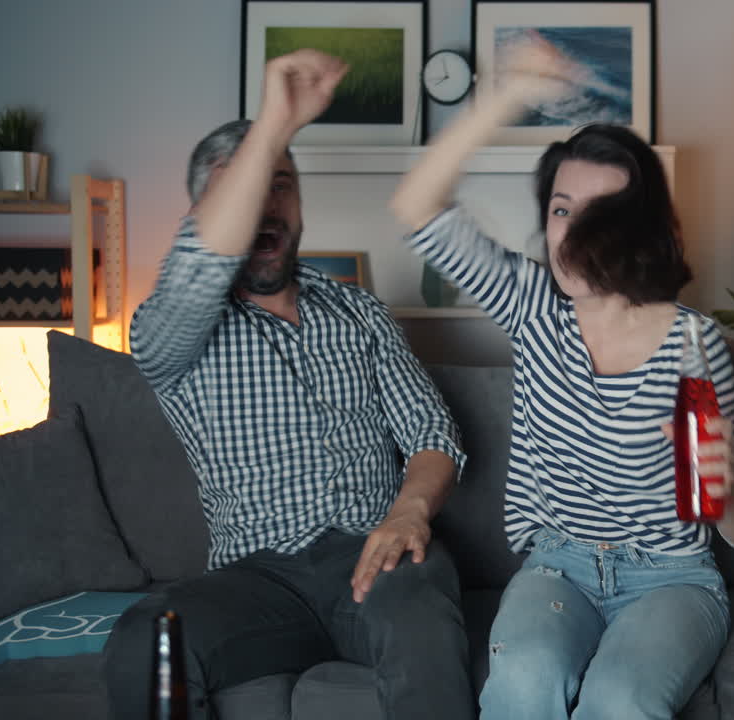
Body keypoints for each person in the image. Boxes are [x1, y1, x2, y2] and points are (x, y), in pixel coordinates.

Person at [389, 38, 734, 720]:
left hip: (672, 580)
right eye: (561, 210)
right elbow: (418, 205)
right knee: (522, 680)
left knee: (620, 701)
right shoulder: (534, 308)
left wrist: (724, 491)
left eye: (595, 217)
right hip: (558, 567)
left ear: (641, 231)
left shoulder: (691, 344)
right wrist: (506, 95)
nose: (569, 237)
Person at [102, 49, 473, 719]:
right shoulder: (168, 330)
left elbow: (432, 433)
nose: (267, 204)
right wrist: (274, 125)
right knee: (143, 640)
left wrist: (410, 509)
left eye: (282, 183)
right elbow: (199, 264)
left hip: (379, 561)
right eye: (246, 188)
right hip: (256, 579)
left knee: (420, 619)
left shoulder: (358, 311)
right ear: (206, 211)